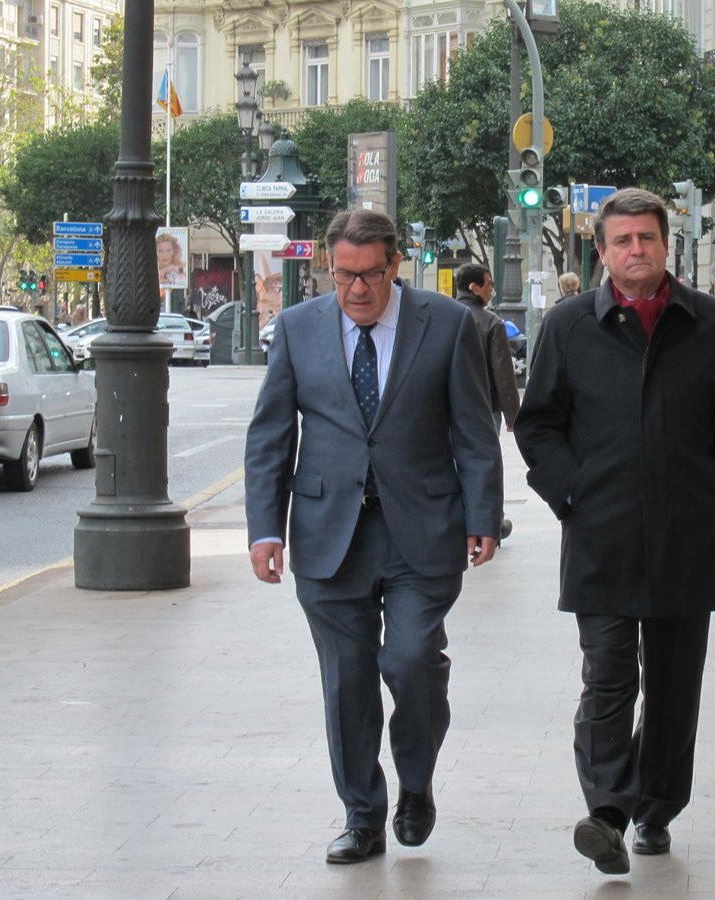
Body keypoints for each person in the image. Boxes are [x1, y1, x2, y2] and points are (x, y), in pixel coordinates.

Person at [514, 188, 715, 876]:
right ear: (602, 252)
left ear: (666, 244)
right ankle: (606, 812)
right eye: (623, 240)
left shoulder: (711, 324)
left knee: (674, 686)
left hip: (685, 538)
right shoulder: (569, 326)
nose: (637, 250)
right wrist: (571, 491)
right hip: (600, 537)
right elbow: (537, 425)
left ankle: (656, 808)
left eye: (647, 238)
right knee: (607, 677)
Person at [244, 209, 504, 865]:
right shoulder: (298, 328)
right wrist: (264, 529)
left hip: (422, 527)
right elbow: (271, 435)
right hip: (328, 534)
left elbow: (474, 431)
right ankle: (363, 816)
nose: (357, 289)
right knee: (347, 681)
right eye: (344, 276)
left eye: (370, 275)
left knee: (411, 660)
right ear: (329, 269)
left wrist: (483, 515)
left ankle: (415, 782)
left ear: (395, 266)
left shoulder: (446, 323)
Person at [454, 262, 519, 540]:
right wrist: (513, 415)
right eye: (489, 284)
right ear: (474, 287)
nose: (492, 290)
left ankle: (456, 516)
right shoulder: (491, 322)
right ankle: (492, 521)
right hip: (484, 407)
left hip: (446, 408)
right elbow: (503, 373)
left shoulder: (443, 317)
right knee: (485, 463)